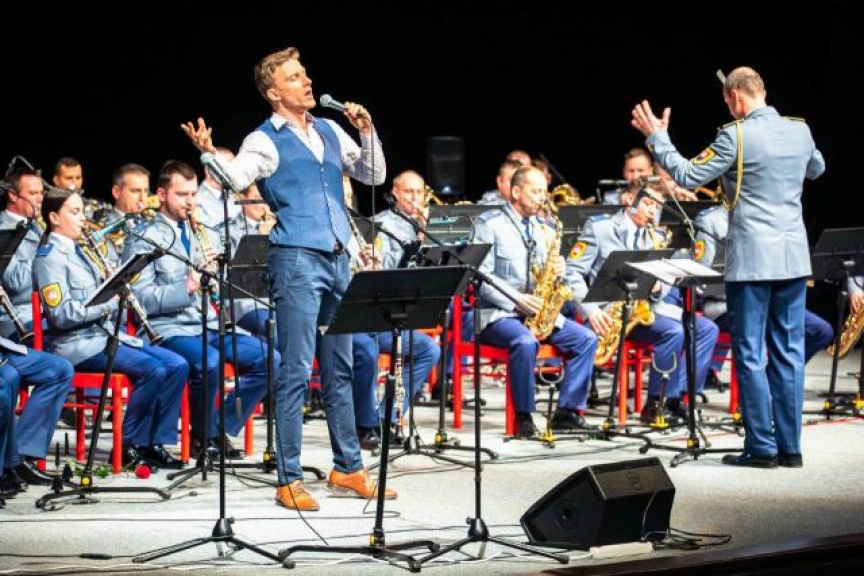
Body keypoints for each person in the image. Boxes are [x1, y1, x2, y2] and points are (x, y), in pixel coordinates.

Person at [180, 46, 390, 512]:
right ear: (274, 93)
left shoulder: (330, 129)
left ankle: (348, 467)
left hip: (337, 259)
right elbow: (235, 179)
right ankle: (289, 478)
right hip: (296, 261)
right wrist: (209, 153)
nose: (307, 81)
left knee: (340, 366)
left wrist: (367, 130)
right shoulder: (264, 139)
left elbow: (373, 174)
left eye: (305, 73)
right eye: (295, 77)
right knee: (295, 368)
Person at [632, 66, 826, 468]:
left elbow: (687, 174)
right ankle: (791, 449)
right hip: (793, 258)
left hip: (753, 260)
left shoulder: (735, 135)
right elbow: (816, 169)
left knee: (751, 353)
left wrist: (658, 138)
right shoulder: (800, 130)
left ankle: (762, 449)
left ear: (735, 97)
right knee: (789, 353)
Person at [123, 160, 270, 461]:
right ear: (162, 195)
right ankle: (205, 437)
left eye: (193, 194)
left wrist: (221, 275)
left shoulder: (208, 234)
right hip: (170, 328)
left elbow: (225, 290)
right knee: (210, 361)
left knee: (270, 359)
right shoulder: (144, 237)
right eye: (181, 195)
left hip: (211, 324)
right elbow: (139, 299)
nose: (190, 202)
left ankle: (219, 426)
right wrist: (187, 286)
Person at [33, 188, 188, 470]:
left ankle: (153, 441)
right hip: (78, 344)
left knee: (177, 365)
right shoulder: (49, 258)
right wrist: (107, 304)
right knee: (153, 370)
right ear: (54, 217)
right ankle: (129, 444)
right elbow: (61, 316)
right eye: (75, 212)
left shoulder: (82, 250)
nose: (83, 218)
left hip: (104, 337)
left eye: (82, 211)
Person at [567, 177, 719, 426]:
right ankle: (655, 403)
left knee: (707, 329)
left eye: (657, 206)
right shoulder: (600, 228)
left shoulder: (657, 234)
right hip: (610, 312)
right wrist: (590, 311)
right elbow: (572, 272)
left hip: (649, 308)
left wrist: (659, 286)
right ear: (629, 199)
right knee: (673, 332)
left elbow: (663, 279)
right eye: (648, 203)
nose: (652, 211)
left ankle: (677, 398)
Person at [473, 166, 598, 437]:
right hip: (499, 314)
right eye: (536, 191)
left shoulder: (546, 228)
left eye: (544, 192)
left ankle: (567, 412)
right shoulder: (490, 224)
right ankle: (524, 416)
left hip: (538, 312)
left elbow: (548, 275)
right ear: (516, 191)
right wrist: (516, 300)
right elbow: (481, 277)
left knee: (586, 339)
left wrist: (559, 271)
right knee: (525, 342)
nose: (542, 198)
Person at [694, 204, 833, 389]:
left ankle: (770, 380)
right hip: (726, 304)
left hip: (768, 300)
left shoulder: (768, 216)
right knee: (757, 334)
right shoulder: (711, 220)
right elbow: (700, 278)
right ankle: (756, 391)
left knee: (820, 330)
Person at [0, 169, 76, 488]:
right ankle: (9, 465)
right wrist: (44, 247)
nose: (40, 200)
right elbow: (17, 282)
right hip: (13, 323)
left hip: (38, 319)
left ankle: (24, 455)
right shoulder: (5, 231)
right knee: (8, 379)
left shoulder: (33, 229)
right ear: (13, 196)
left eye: (41, 194)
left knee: (60, 369)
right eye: (33, 194)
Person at [369, 170, 441, 433]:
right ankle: (372, 422)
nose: (414, 198)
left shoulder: (429, 226)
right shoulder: (379, 224)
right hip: (379, 313)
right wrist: (417, 244)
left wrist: (429, 237)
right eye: (409, 192)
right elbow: (383, 271)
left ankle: (387, 416)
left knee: (430, 350)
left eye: (419, 192)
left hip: (411, 308)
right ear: (395, 193)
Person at [196, 147, 241, 228]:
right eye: (225, 167)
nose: (232, 172)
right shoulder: (197, 200)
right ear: (208, 169)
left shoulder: (236, 196)